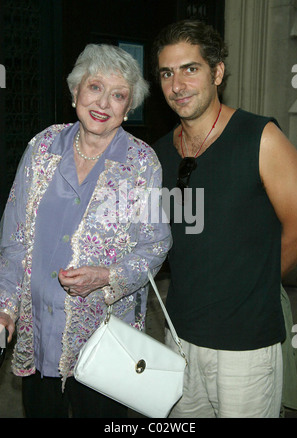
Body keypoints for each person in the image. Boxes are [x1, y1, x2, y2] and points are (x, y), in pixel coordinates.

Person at [0, 43, 171, 418]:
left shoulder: (142, 163)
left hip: (104, 339)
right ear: (76, 90)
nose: (103, 103)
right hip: (39, 329)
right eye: (94, 87)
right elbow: (14, 239)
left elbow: (155, 245)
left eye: (118, 95)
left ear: (128, 109)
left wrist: (107, 276)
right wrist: (5, 307)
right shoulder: (42, 147)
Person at [152, 19, 297, 418]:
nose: (177, 85)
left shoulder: (260, 137)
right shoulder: (160, 153)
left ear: (217, 72)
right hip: (179, 339)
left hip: (246, 348)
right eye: (167, 73)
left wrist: (256, 283)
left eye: (190, 69)